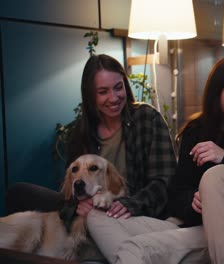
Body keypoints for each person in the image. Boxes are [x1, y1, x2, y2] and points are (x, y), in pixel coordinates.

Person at [5, 54, 177, 261]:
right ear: (91, 96)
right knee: (20, 193)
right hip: (87, 211)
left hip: (131, 212)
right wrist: (77, 206)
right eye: (103, 92)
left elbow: (164, 183)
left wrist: (129, 204)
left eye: (118, 87)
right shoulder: (83, 132)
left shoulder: (147, 119)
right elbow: (71, 189)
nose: (113, 98)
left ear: (125, 86)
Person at [108, 55, 224, 264]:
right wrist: (194, 201)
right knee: (105, 225)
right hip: (198, 225)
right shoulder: (195, 131)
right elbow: (176, 194)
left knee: (216, 176)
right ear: (217, 91)